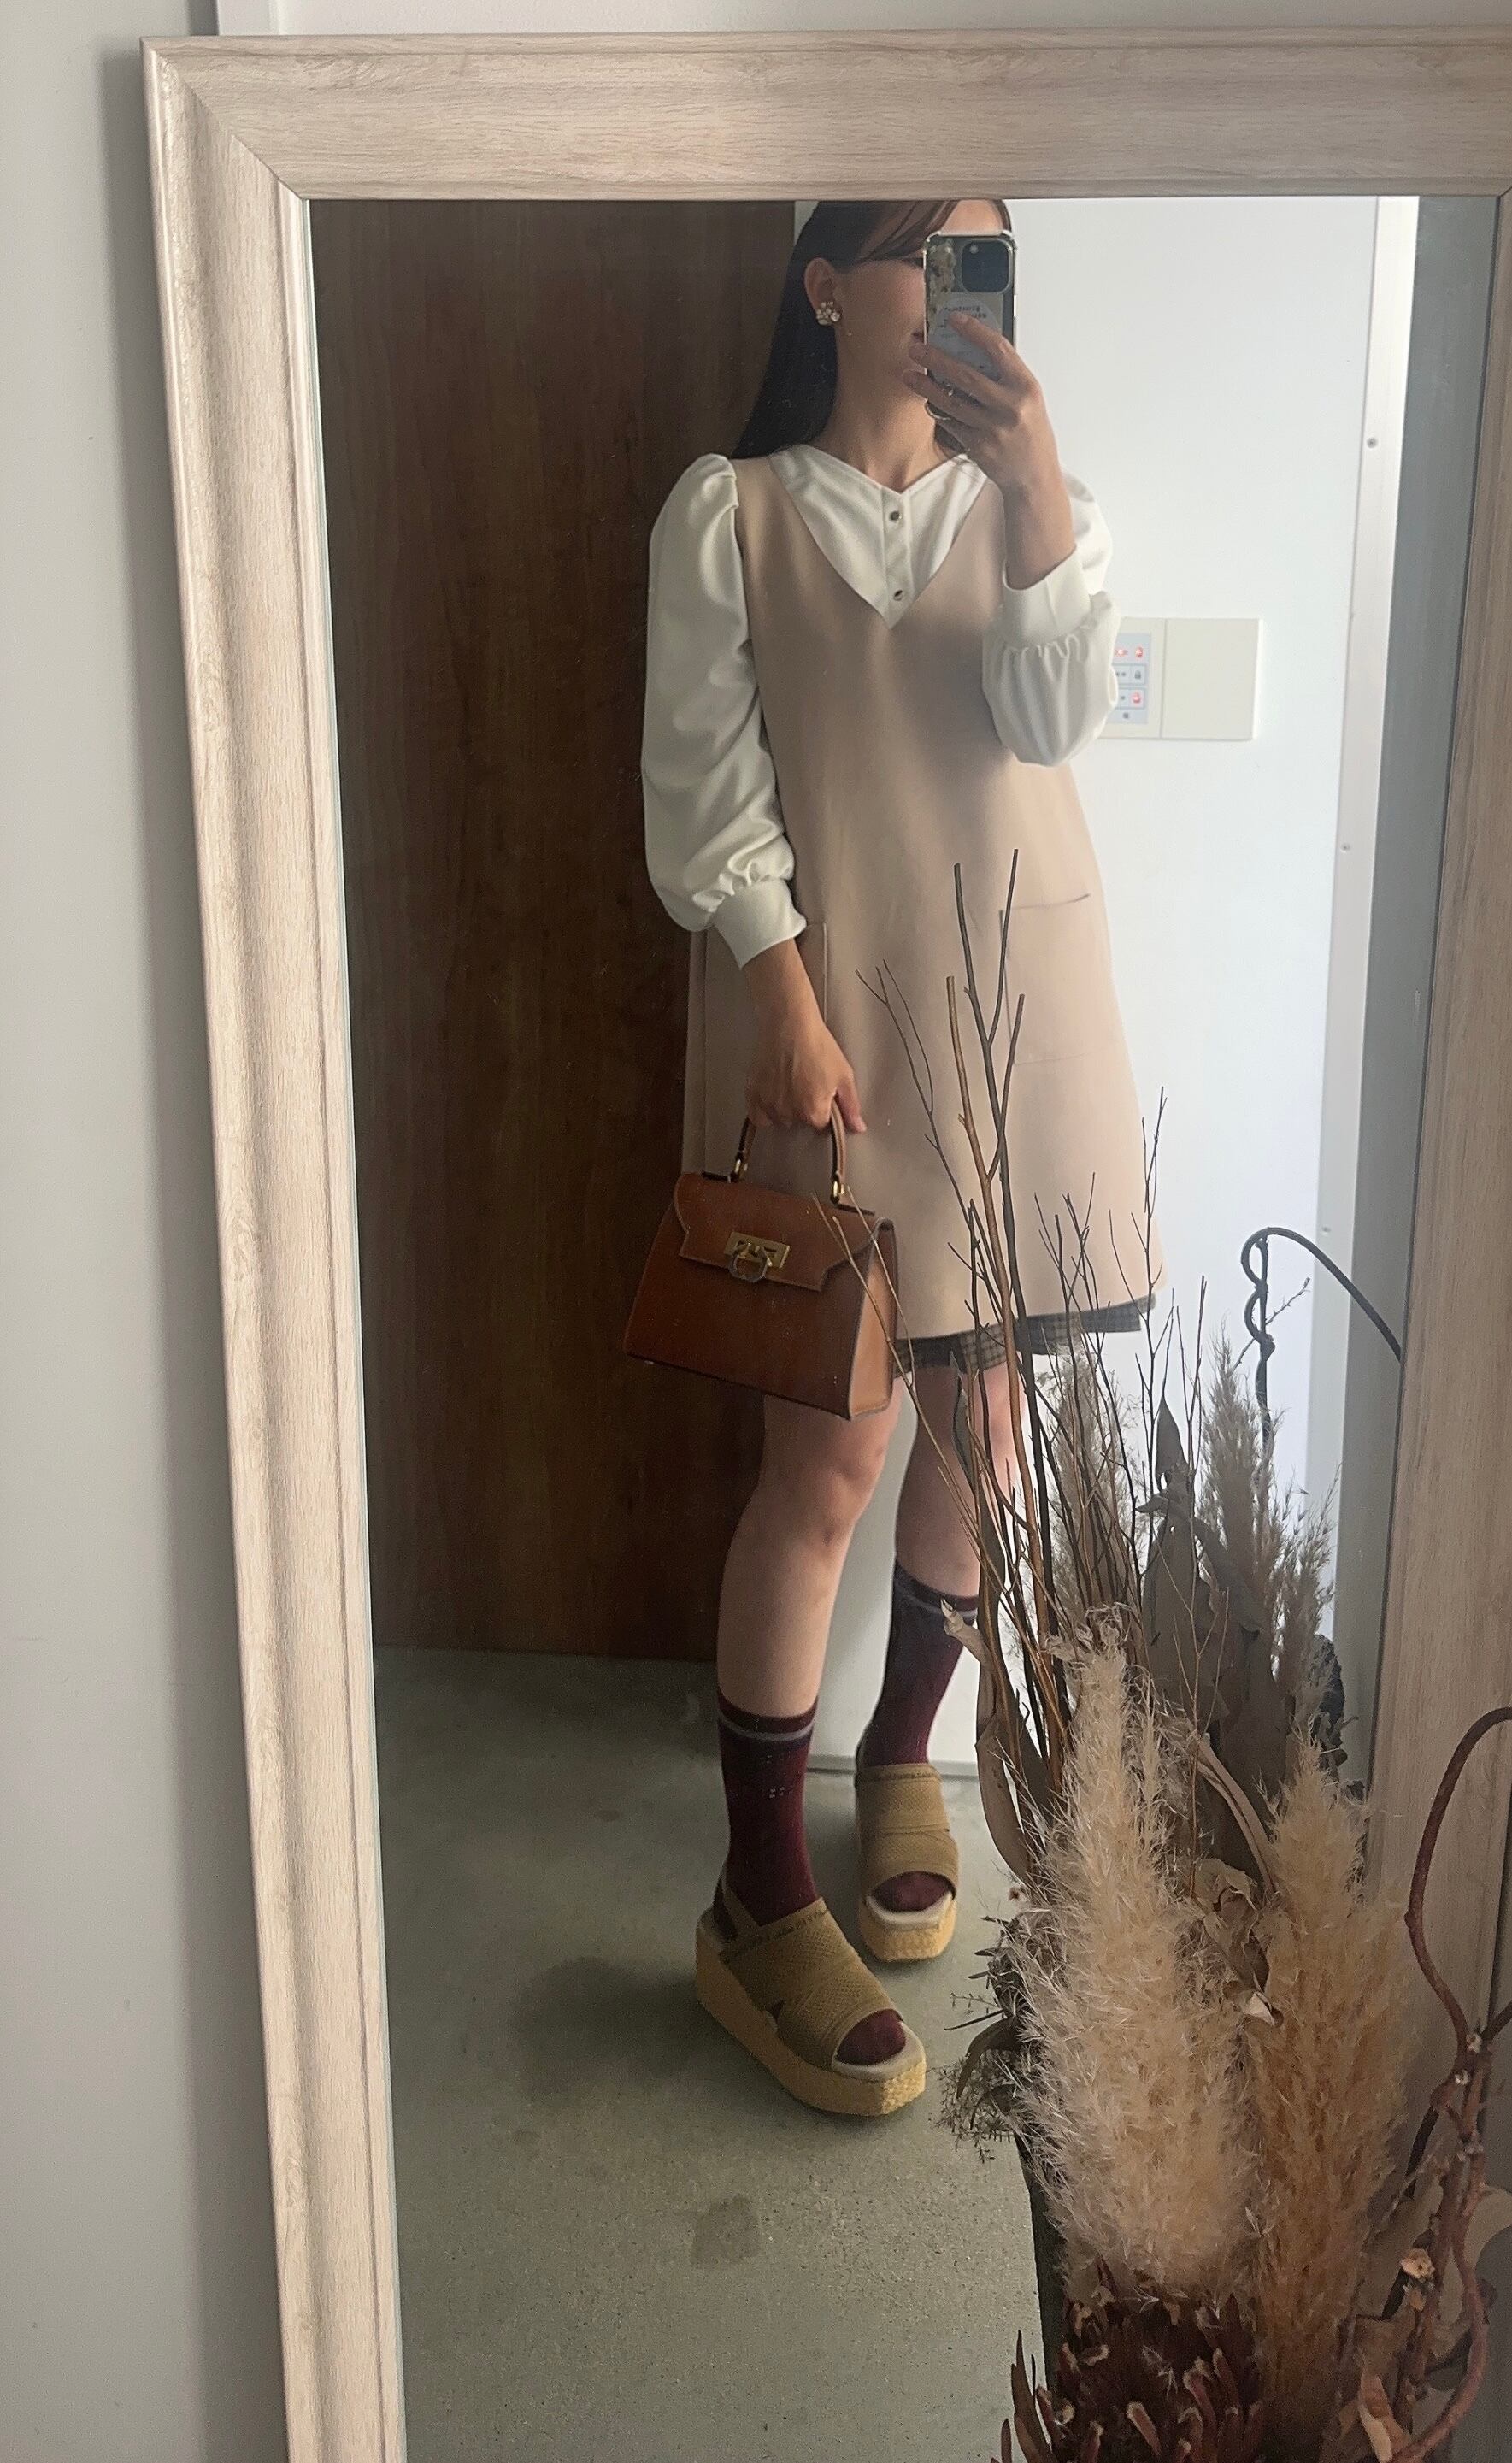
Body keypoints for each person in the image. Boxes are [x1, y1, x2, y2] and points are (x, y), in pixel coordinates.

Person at [641, 198, 1157, 2118]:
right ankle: (757, 1892)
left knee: (984, 1419)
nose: (953, 293)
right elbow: (703, 787)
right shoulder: (730, 513)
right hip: (831, 1021)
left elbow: (1049, 718)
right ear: (825, 285)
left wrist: (1033, 495)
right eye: (922, 255)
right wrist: (775, 990)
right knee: (826, 1457)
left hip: (1016, 1014)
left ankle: (900, 1757)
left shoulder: (1045, 507)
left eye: (982, 262)